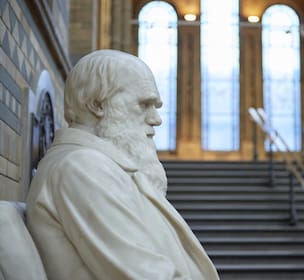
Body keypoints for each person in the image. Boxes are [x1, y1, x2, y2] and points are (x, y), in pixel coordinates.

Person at [26, 50, 219, 280]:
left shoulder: (101, 166)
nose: (156, 119)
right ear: (98, 105)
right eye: (145, 104)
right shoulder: (83, 167)